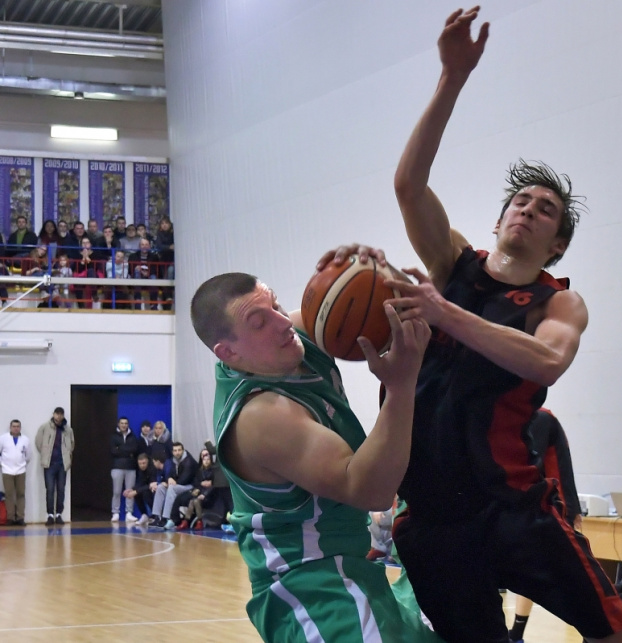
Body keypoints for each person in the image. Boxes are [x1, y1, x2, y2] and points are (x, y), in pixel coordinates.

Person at [387, 9, 622, 643]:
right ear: (500, 220)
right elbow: (409, 185)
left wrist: (444, 313)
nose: (528, 210)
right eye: (520, 202)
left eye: (545, 209)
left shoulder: (559, 302)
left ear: (557, 244)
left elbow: (546, 361)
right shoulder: (452, 263)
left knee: (617, 634)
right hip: (432, 513)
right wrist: (451, 79)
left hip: (512, 507)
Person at [189, 247, 442, 643]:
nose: (283, 322)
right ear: (229, 352)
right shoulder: (262, 416)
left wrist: (372, 267)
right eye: (260, 322)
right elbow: (372, 491)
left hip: (351, 563)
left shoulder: (290, 341)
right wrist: (400, 386)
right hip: (307, 583)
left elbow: (394, 305)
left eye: (275, 304)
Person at [508, 409, 583, 643]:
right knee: (526, 572)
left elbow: (530, 467)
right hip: (539, 507)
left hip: (556, 507)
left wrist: (572, 511)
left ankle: (594, 632)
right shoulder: (519, 417)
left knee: (571, 576)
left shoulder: (539, 418)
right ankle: (516, 633)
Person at [35, 406, 74, 525]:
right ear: (53, 414)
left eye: (61, 414)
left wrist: (67, 455)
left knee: (61, 489)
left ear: (63, 415)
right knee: (50, 489)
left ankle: (59, 514)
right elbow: (38, 442)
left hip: (62, 465)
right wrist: (45, 454)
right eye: (57, 414)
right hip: (49, 464)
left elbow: (72, 444)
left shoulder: (68, 430)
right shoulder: (45, 427)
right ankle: (50, 515)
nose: (59, 416)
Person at [148, 441, 197, 530]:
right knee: (160, 487)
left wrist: (173, 482)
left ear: (183, 450)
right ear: (172, 452)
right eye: (175, 450)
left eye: (179, 450)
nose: (177, 452)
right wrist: (168, 479)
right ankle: (157, 516)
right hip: (178, 484)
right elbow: (169, 474)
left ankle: (166, 517)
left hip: (189, 486)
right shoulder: (173, 461)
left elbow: (185, 479)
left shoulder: (189, 461)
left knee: (172, 488)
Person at [0, 419, 31, 526]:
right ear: (10, 427)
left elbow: (28, 456)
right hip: (7, 470)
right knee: (9, 494)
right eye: (14, 426)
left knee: (20, 494)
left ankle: (20, 517)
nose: (16, 428)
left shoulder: (25, 440)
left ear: (20, 428)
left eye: (18, 426)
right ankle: (10, 518)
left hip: (21, 470)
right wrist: (3, 464)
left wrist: (22, 464)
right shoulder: (3, 438)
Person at [110, 416, 139, 522]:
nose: (124, 425)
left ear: (128, 425)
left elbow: (135, 450)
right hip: (117, 467)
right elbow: (113, 451)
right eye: (122, 423)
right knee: (116, 491)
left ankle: (129, 513)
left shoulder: (133, 437)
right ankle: (115, 513)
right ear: (118, 424)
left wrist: (120, 448)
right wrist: (128, 451)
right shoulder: (114, 436)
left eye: (126, 423)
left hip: (131, 468)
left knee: (130, 491)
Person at [123, 452, 155, 524]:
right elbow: (141, 482)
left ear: (147, 461)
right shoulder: (141, 470)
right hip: (148, 487)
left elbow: (152, 484)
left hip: (155, 488)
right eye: (140, 464)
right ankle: (144, 514)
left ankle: (156, 516)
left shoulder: (153, 468)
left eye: (144, 463)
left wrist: (135, 491)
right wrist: (132, 490)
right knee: (137, 493)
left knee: (145, 493)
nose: (142, 465)